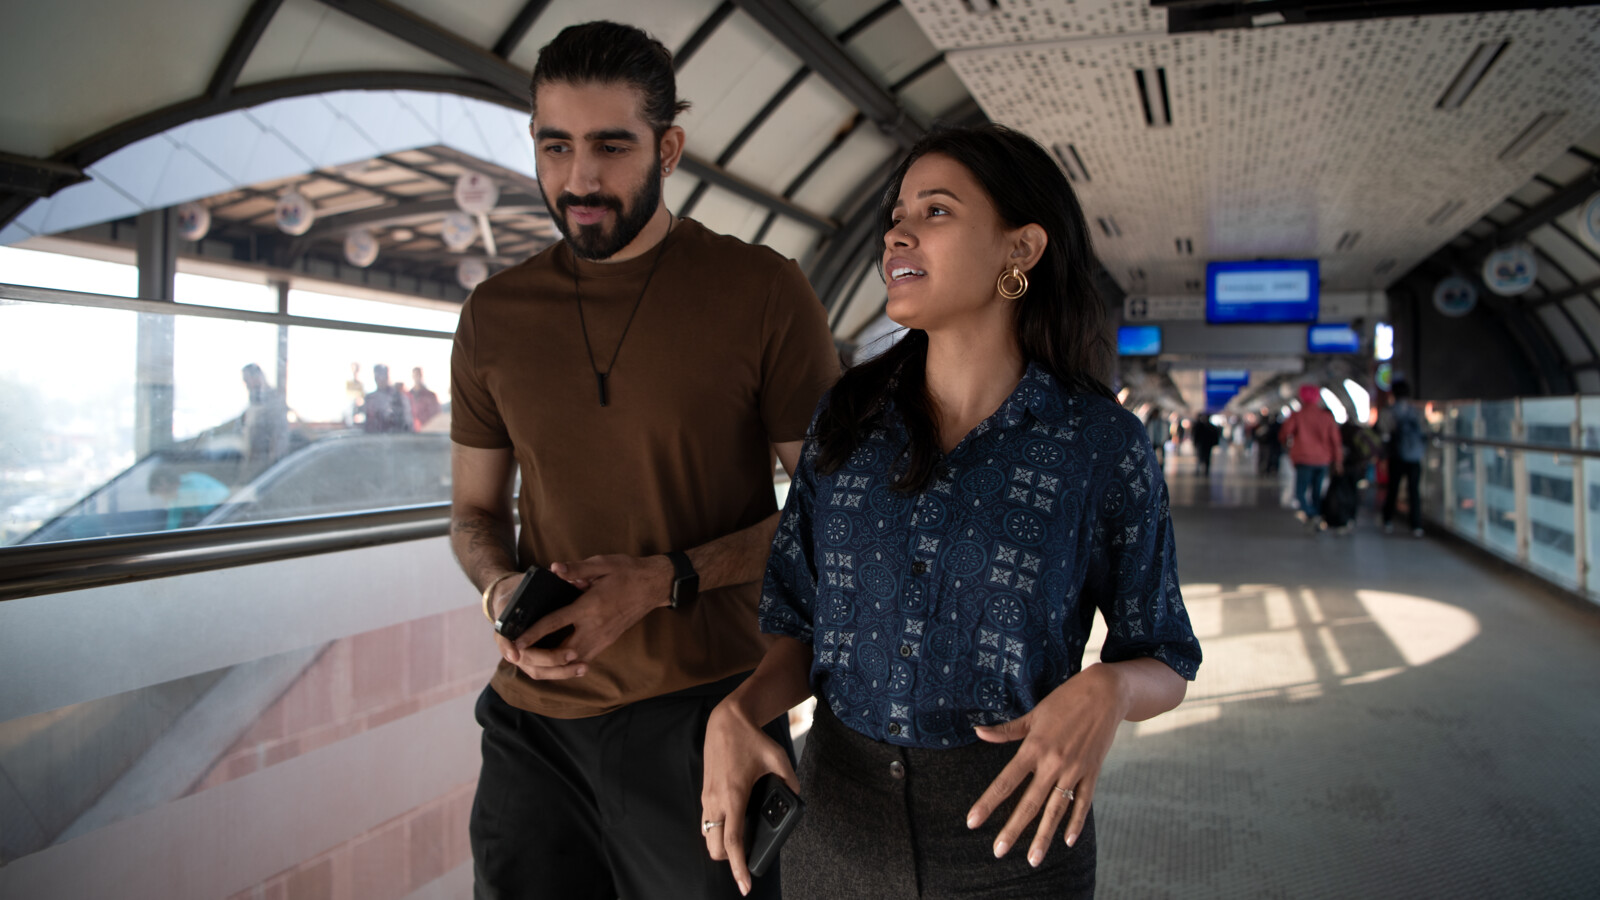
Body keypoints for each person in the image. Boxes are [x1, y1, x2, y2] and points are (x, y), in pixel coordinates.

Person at [699, 125, 1201, 899]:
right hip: (837, 831)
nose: (896, 233)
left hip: (1016, 839)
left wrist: (1110, 690)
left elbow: (1164, 654)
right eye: (896, 214)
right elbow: (799, 626)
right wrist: (738, 710)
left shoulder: (1098, 444)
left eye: (935, 211)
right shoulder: (848, 420)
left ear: (1020, 249)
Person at [448, 21, 838, 900]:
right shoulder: (493, 315)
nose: (579, 179)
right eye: (556, 146)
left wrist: (667, 578)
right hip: (529, 730)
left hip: (705, 713)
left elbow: (837, 514)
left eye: (611, 146)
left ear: (668, 149)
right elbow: (473, 514)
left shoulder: (762, 291)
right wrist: (499, 590)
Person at [1279, 384, 1342, 528]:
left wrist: (1287, 445)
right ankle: (1317, 516)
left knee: (1300, 492)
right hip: (1323, 460)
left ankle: (1311, 514)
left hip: (1304, 458)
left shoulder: (1297, 416)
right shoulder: (1326, 417)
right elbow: (1335, 441)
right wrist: (1338, 461)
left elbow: (1284, 433)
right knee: (1317, 491)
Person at [1381, 381, 1427, 537]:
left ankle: (1387, 520)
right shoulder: (1416, 412)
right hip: (1415, 457)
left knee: (1393, 488)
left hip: (1396, 456)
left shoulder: (1390, 411)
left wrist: (1383, 455)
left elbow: (1383, 433)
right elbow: (1425, 432)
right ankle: (1416, 525)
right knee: (1414, 490)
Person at [239, 363, 288, 478]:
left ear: (257, 377)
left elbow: (278, 437)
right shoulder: (254, 401)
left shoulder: (273, 400)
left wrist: (273, 467)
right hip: (253, 459)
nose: (246, 385)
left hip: (265, 464)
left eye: (247, 380)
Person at [362, 363, 413, 433]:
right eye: (377, 376)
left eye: (382, 376)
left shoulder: (398, 397)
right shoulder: (369, 399)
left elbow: (406, 422)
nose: (380, 379)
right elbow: (367, 422)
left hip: (395, 437)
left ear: (387, 376)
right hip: (373, 437)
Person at [345, 362, 366, 426]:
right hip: (350, 412)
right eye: (353, 370)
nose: (355, 373)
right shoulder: (348, 383)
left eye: (357, 370)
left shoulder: (363, 384)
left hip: (361, 412)